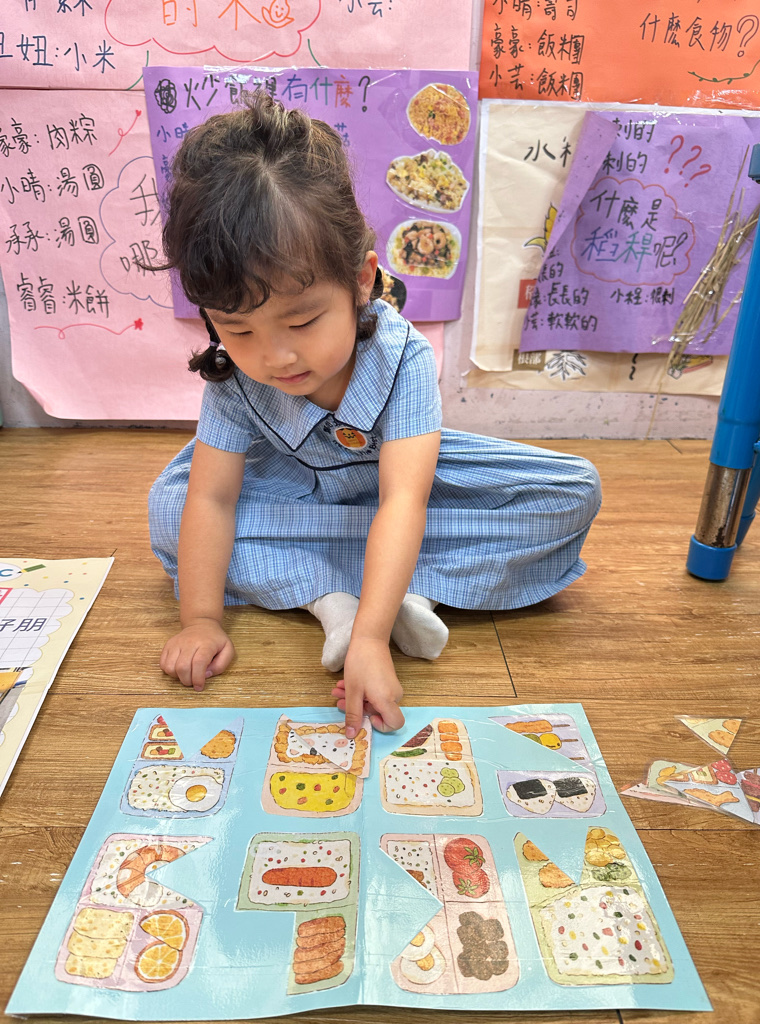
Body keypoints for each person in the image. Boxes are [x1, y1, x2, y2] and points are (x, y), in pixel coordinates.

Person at [148, 91, 601, 740]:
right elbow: (212, 501)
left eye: (303, 321)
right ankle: (332, 600)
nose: (275, 357)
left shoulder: (402, 355)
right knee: (172, 510)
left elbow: (403, 502)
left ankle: (395, 598)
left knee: (570, 494)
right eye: (237, 329)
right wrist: (201, 619)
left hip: (401, 502)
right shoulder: (234, 377)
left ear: (361, 281)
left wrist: (371, 641)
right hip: (296, 497)